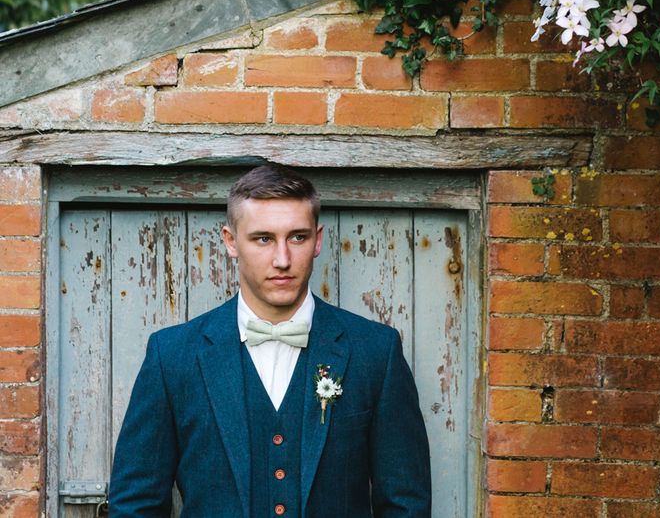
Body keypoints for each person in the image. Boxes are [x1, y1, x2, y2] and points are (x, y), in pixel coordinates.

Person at [109, 164, 431, 517]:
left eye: (298, 237)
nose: (283, 259)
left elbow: (405, 503)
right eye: (263, 238)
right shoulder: (172, 355)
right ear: (231, 242)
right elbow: (135, 504)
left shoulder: (375, 351)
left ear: (318, 240)